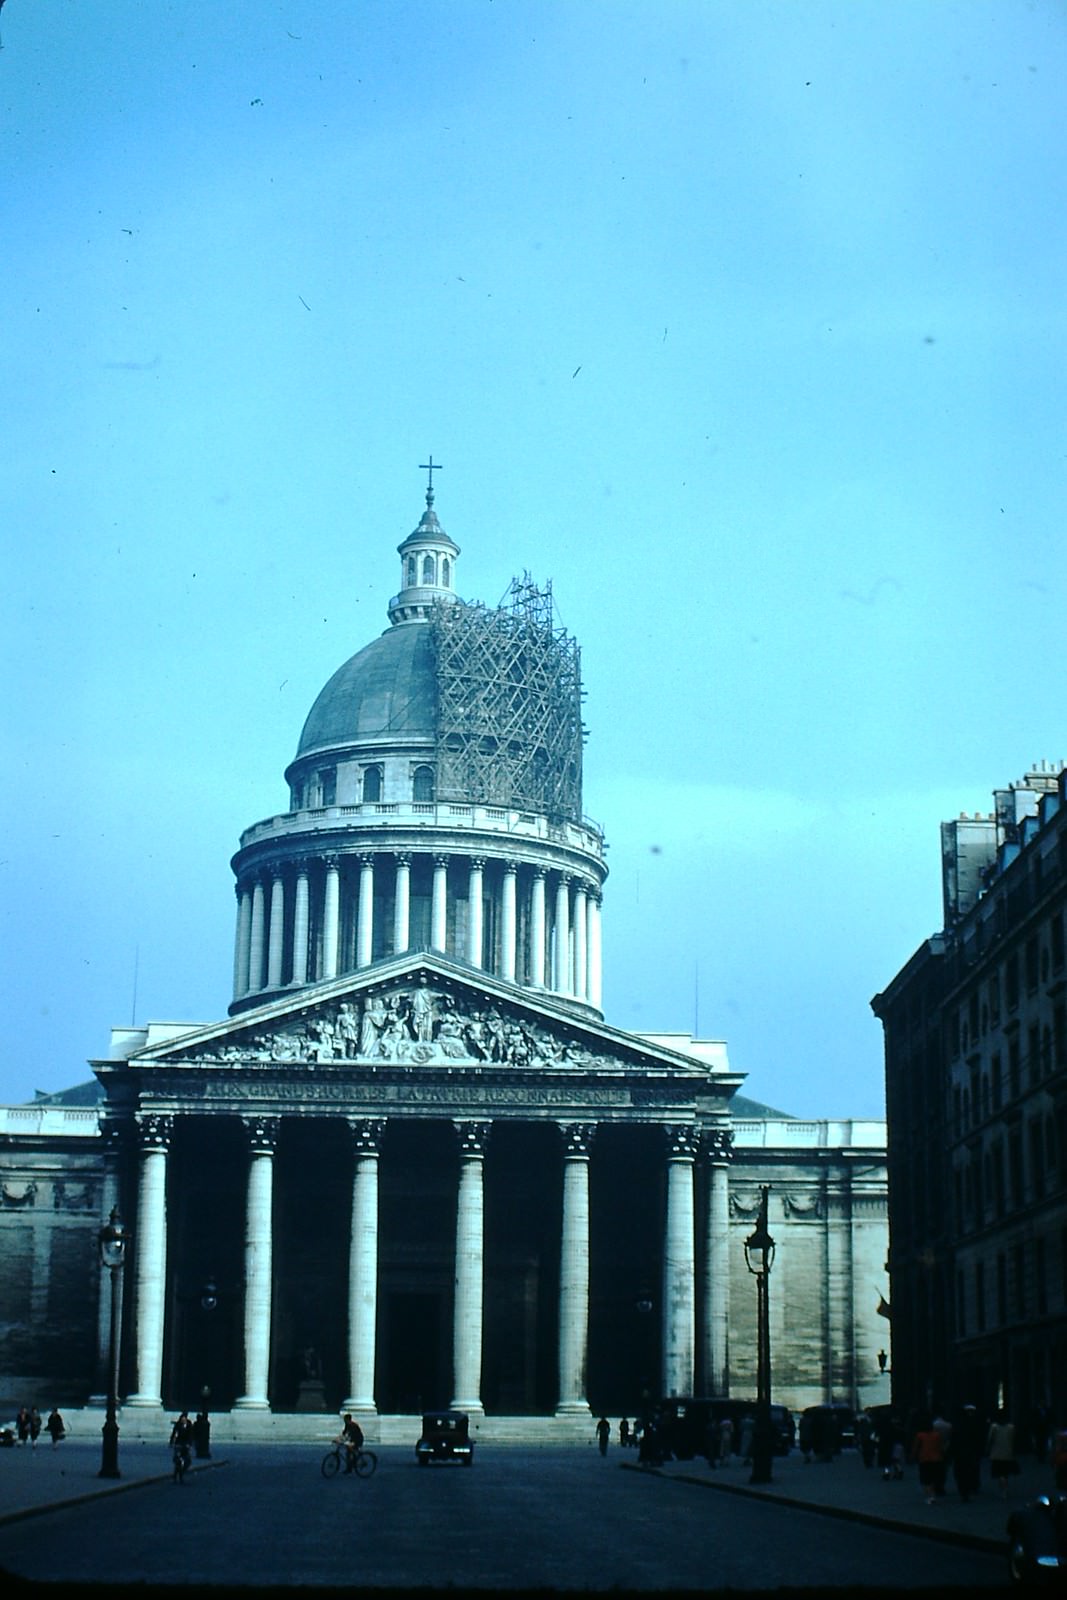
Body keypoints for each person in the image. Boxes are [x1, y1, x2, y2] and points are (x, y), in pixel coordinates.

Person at [910, 1414, 945, 1506]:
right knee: (933, 1478)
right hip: (936, 1458)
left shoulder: (920, 1435)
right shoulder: (936, 1435)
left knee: (925, 1479)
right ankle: (933, 1495)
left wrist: (913, 1456)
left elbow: (916, 1447)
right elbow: (940, 1447)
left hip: (924, 1459)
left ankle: (930, 1496)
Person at [987, 1409, 1018, 1498]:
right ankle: (1005, 1488)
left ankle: (1003, 1489)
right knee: (1005, 1473)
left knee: (999, 1473)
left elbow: (990, 1439)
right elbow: (1013, 1440)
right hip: (1008, 1453)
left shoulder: (994, 1427)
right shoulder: (1011, 1427)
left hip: (996, 1453)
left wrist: (988, 1449)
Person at [169, 1411, 194, 1479]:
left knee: (187, 1460)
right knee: (177, 1460)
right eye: (182, 1418)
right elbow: (174, 1433)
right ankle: (176, 1474)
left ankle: (182, 1471)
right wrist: (171, 1443)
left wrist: (189, 1444)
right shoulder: (178, 1424)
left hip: (185, 1444)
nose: (183, 1420)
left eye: (184, 1418)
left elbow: (191, 1435)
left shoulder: (189, 1424)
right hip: (178, 1443)